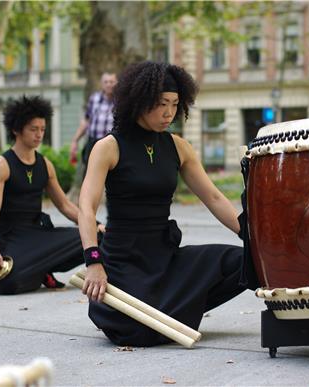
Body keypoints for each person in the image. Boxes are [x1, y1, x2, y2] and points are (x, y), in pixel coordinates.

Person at [78, 61, 258, 347]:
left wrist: (250, 236)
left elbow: (212, 197)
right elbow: (86, 208)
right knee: (135, 332)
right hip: (124, 261)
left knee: (245, 261)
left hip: (165, 256)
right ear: (140, 101)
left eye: (175, 104)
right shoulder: (108, 147)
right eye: (162, 103)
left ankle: (173, 313)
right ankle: (170, 314)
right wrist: (93, 263)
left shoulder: (178, 146)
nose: (169, 112)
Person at [0, 95, 105, 294]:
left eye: (42, 129)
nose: (39, 134)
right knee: (6, 285)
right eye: (33, 129)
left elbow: (64, 205)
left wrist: (95, 224)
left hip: (38, 235)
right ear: (16, 130)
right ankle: (40, 272)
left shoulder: (45, 165)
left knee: (99, 238)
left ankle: (41, 270)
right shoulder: (1, 166)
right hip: (12, 239)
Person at [69, 72, 117, 171]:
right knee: (88, 171)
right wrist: (75, 140)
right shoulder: (94, 99)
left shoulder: (120, 101)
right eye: (106, 82)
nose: (109, 84)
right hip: (93, 142)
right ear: (102, 84)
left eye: (111, 82)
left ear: (117, 83)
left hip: (111, 144)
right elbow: (86, 121)